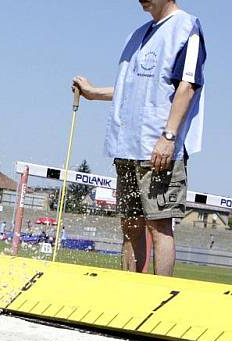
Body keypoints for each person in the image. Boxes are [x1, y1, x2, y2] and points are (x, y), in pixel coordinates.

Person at [72, 0, 205, 276]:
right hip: (126, 146)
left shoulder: (186, 27)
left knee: (159, 226)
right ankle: (129, 292)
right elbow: (129, 89)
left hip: (159, 148)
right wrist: (94, 93)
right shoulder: (136, 35)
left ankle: (158, 299)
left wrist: (168, 136)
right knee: (130, 225)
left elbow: (187, 86)